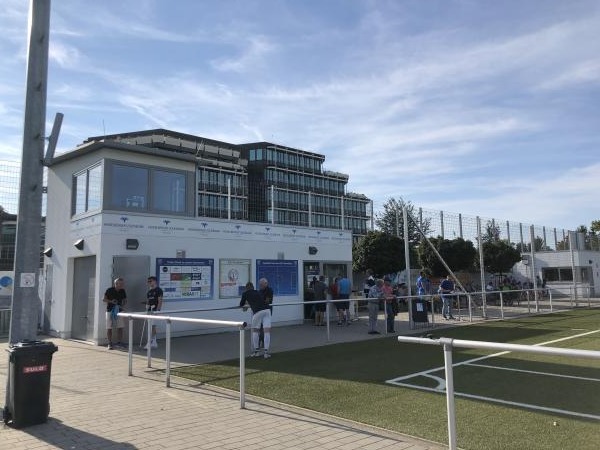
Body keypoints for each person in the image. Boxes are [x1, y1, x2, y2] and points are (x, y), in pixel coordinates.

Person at [240, 281, 272, 358]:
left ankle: (256, 352)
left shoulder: (245, 293)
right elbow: (261, 300)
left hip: (257, 312)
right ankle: (266, 353)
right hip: (267, 310)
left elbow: (241, 304)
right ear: (253, 287)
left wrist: (247, 303)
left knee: (255, 331)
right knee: (267, 331)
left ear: (246, 288)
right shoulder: (257, 292)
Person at [103, 277, 127, 349]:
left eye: (122, 283)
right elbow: (103, 299)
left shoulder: (123, 291)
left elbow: (125, 300)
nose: (122, 285)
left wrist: (122, 305)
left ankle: (119, 342)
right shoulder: (109, 290)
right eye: (120, 283)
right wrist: (111, 301)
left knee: (120, 327)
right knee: (109, 327)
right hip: (110, 310)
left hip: (119, 311)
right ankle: (110, 343)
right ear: (116, 284)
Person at [144, 276, 163, 349]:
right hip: (149, 311)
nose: (149, 282)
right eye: (148, 281)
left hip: (154, 310)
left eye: (150, 281)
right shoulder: (149, 291)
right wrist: (147, 306)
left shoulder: (159, 290)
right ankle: (153, 342)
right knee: (150, 326)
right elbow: (148, 301)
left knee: (153, 326)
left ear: (155, 281)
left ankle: (152, 341)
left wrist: (157, 310)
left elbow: (160, 301)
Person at [258, 277, 274, 349]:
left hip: (267, 311)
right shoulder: (260, 291)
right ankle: (260, 343)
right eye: (260, 284)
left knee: (265, 328)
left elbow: (267, 301)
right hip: (260, 311)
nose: (260, 286)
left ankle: (263, 344)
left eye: (261, 284)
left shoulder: (269, 290)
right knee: (260, 328)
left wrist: (260, 302)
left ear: (265, 284)